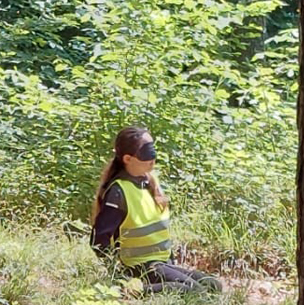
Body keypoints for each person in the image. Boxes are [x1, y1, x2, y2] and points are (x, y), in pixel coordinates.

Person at [91, 126, 222, 294]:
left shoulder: (150, 183)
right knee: (195, 291)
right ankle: (134, 291)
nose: (152, 158)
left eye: (153, 150)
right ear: (128, 158)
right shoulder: (119, 191)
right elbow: (98, 240)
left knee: (212, 285)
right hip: (139, 267)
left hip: (162, 263)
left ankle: (147, 288)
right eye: (146, 153)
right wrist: (119, 275)